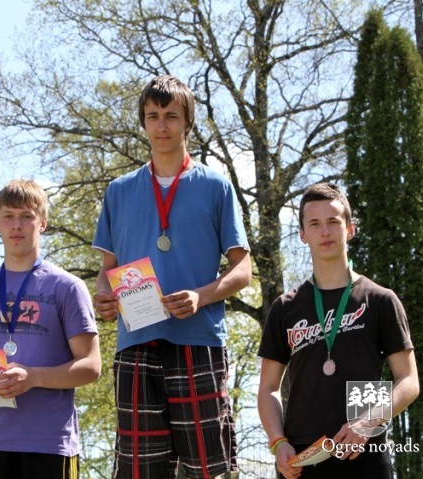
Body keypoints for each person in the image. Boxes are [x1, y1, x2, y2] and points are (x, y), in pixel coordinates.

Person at [92, 74, 252, 479]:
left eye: (171, 116)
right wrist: (105, 299)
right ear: (143, 123)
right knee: (139, 470)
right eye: (153, 116)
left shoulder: (216, 186)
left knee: (208, 468)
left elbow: (243, 270)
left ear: (187, 122)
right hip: (136, 343)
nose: (161, 125)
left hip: (198, 341)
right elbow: (106, 272)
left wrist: (201, 296)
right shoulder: (119, 191)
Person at [257, 182, 420, 478]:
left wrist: (367, 422)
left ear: (350, 229)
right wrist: (277, 442)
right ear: (302, 234)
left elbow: (408, 380)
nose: (325, 231)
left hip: (365, 449)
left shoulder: (380, 299)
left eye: (333, 221)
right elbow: (268, 387)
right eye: (315, 223)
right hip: (301, 455)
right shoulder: (285, 307)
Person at [0, 178, 101, 479]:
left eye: (26, 216)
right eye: (8, 216)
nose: (16, 225)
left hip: (48, 445)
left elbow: (91, 366)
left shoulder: (68, 287)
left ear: (42, 223)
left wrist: (34, 377)